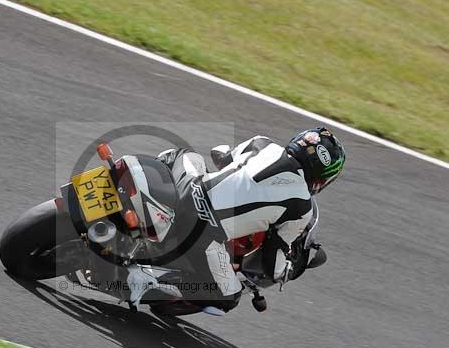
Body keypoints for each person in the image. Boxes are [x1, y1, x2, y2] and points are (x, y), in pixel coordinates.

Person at [134, 127, 345, 315]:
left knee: (186, 154)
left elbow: (223, 157)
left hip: (188, 189)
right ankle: (144, 280)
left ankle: (143, 195)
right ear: (322, 177)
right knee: (229, 297)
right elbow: (273, 257)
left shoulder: (262, 142)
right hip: (204, 233)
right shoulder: (302, 208)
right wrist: (285, 271)